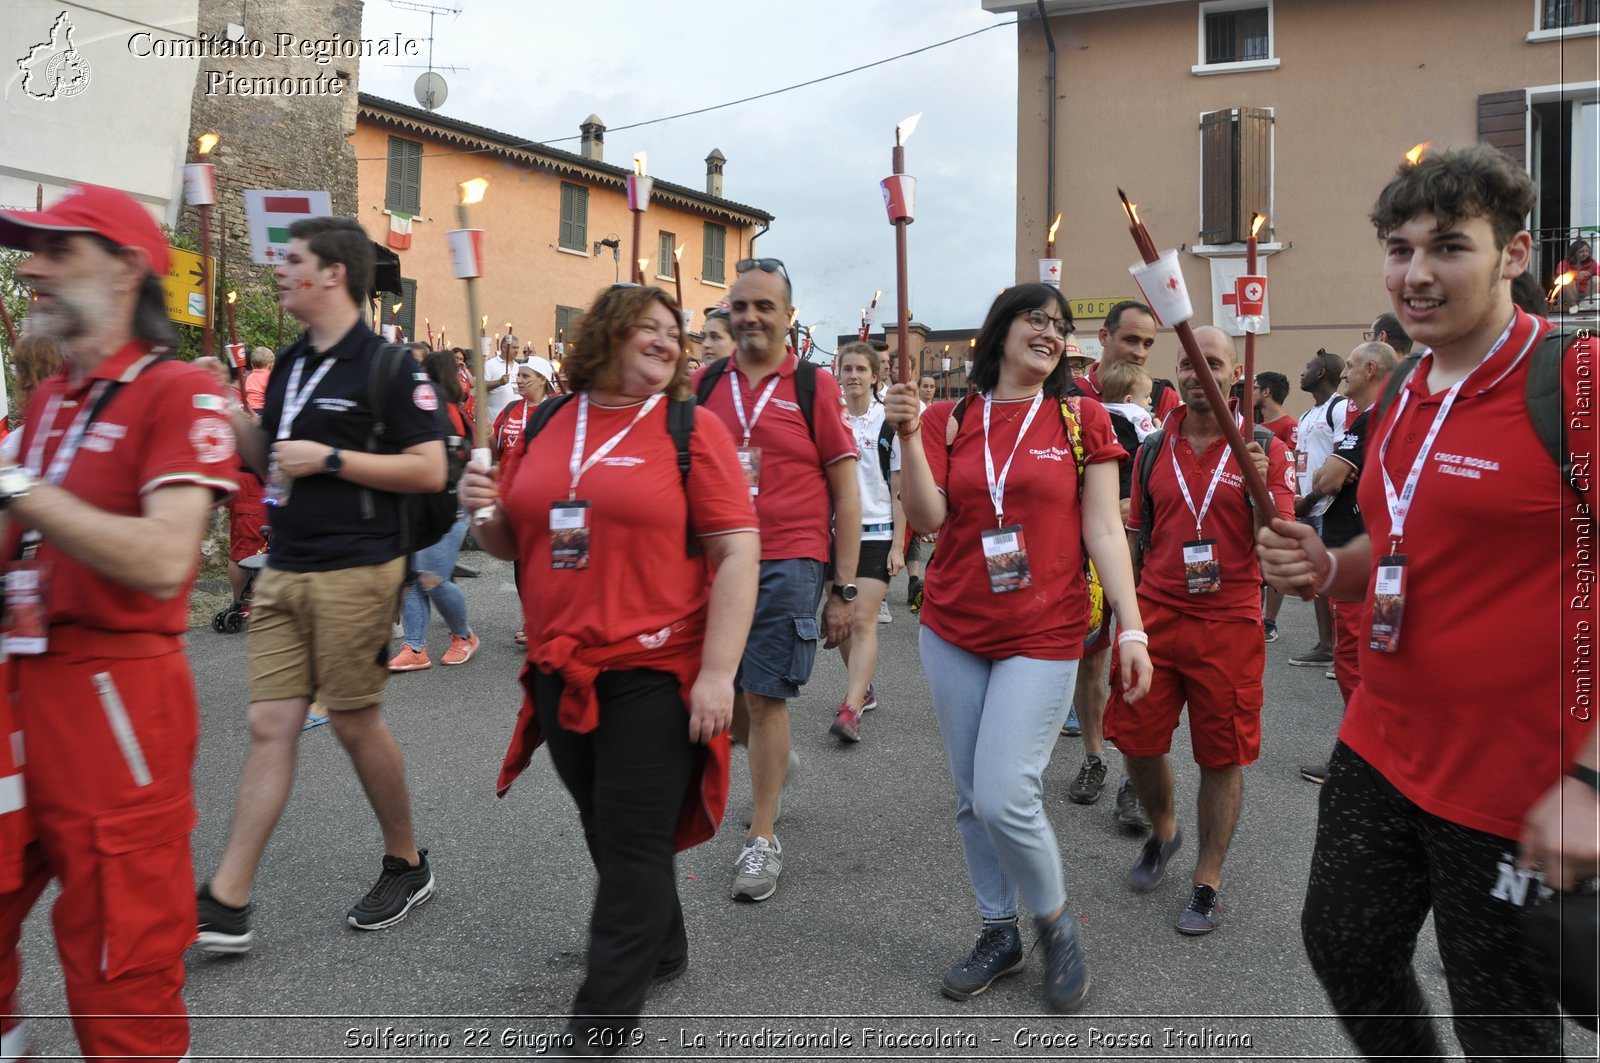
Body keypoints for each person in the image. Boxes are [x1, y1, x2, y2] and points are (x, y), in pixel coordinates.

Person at [1258, 142, 1596, 1059]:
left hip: (1518, 774)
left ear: (1513, 255)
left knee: (1504, 1027)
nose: (1417, 273)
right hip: (1384, 739)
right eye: (1400, 249)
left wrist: (1591, 781)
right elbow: (1397, 545)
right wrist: (1332, 571)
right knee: (1344, 945)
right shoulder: (1405, 385)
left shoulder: (1577, 380)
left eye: (1449, 247)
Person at [461, 283, 758, 1053]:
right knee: (608, 824)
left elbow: (736, 553)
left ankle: (599, 1023)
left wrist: (719, 674)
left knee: (627, 840)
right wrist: (481, 512)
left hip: (655, 668)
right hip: (559, 663)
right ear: (606, 335)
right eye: (649, 328)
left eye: (675, 331)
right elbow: (513, 540)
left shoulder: (692, 429)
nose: (667, 340)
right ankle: (664, 945)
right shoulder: (553, 420)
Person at [0, 183, 241, 1061]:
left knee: (121, 969)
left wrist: (17, 484)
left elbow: (164, 560)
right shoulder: (49, 400)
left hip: (115, 708)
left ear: (128, 267)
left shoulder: (178, 394)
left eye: (58, 250)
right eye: (30, 249)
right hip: (22, 691)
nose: (30, 267)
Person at [887, 283, 1149, 1011]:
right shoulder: (950, 416)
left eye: (1059, 324)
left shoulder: (1081, 417)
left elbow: (1104, 529)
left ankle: (1055, 922)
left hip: (1044, 630)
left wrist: (1130, 624)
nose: (1051, 331)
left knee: (1007, 793)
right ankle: (998, 930)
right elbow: (929, 518)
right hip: (952, 626)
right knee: (974, 796)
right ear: (1000, 331)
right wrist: (909, 436)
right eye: (1036, 318)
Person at [198, 216, 446, 953]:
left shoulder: (388, 366)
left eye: (292, 258)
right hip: (285, 563)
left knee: (352, 719)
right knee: (270, 723)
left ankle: (406, 862)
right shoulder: (297, 362)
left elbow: (430, 469)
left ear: (333, 273)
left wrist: (333, 460)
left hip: (360, 566)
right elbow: (271, 457)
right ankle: (228, 898)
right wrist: (231, 416)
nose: (278, 268)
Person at [1106, 325, 1295, 936]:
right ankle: (1164, 829)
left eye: (1211, 362)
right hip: (1157, 616)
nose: (1196, 373)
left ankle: (1207, 879)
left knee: (1222, 757)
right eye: (1187, 363)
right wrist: (1125, 619)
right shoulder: (1153, 450)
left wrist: (1263, 490)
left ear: (1235, 372)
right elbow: (1139, 535)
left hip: (1229, 625)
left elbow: (1284, 541)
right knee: (1135, 741)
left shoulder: (1261, 448)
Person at [693, 258, 859, 903]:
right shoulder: (707, 385)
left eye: (764, 306)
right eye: (741, 306)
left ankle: (762, 838)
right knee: (726, 701)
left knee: (766, 697)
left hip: (790, 559)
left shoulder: (814, 386)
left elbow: (846, 493)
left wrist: (843, 588)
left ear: (789, 317)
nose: (751, 317)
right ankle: (776, 759)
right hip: (715, 559)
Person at [1293, 340, 1396, 784]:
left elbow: (1330, 478)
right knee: (1380, 658)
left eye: (1351, 366)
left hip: (1360, 555)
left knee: (1356, 661)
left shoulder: (1368, 418)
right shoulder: (1397, 416)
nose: (1344, 374)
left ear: (1371, 369)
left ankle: (1364, 758)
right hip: (1384, 558)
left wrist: (1313, 492)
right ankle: (1381, 753)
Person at [1060, 358, 1154, 809]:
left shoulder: (1155, 426)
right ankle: (1096, 757)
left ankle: (1134, 773)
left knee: (1136, 666)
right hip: (1094, 561)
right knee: (1093, 662)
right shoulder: (1075, 414)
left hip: (1148, 564)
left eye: (1145, 343)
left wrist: (1125, 510)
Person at [828, 343, 903, 742]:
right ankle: (864, 688)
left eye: (861, 369)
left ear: (875, 376)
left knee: (862, 620)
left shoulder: (887, 422)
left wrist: (899, 544)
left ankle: (851, 708)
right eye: (847, 368)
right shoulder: (829, 420)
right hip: (834, 534)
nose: (853, 375)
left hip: (876, 532)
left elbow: (899, 488)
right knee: (839, 622)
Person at [388, 350, 479, 671]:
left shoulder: (440, 407)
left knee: (431, 578)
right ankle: (414, 647)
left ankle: (463, 636)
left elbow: (449, 463)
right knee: (415, 577)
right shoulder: (435, 404)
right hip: (423, 504)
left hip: (446, 505)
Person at [1289, 348, 1348, 669]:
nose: (1303, 372)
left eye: (1308, 367)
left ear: (1322, 372)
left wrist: (1312, 498)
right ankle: (1326, 646)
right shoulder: (1307, 414)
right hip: (1307, 506)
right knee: (1318, 580)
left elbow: (1341, 461)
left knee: (1334, 579)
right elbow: (1302, 461)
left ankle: (1342, 650)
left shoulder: (1338, 408)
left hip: (1327, 506)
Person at [492, 357, 555, 647]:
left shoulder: (559, 410)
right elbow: (496, 449)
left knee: (555, 565)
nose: (518, 379)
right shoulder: (509, 410)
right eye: (518, 375)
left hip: (553, 505)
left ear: (543, 379)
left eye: (525, 375)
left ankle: (553, 624)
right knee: (522, 566)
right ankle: (532, 621)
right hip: (514, 502)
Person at [1070, 301, 1180, 421]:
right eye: (1131, 340)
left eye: (1147, 344)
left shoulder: (1164, 397)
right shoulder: (1068, 395)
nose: (1140, 353)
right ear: (1104, 337)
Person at [482, 334, 518, 425]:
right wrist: (499, 382)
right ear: (504, 348)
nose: (517, 351)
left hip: (515, 419)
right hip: (496, 419)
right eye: (514, 347)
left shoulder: (519, 366)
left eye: (518, 347)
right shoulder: (490, 364)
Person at [1554, 236, 1597, 306]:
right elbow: (1560, 277)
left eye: (1587, 251)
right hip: (1568, 296)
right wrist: (1576, 274)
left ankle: (1586, 304)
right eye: (1582, 251)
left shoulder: (1592, 263)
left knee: (1596, 279)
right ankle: (1574, 306)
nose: (1585, 254)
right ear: (1574, 252)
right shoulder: (1564, 263)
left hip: (1586, 294)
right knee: (1566, 281)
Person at [245, 346, 274, 411]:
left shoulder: (249, 378)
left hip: (250, 409)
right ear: (270, 365)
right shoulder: (270, 377)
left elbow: (246, 392)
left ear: (252, 365)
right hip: (263, 409)